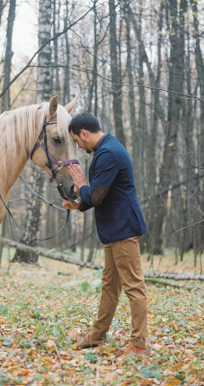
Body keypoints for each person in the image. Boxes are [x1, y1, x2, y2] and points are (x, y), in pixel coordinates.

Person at [62, 113, 148, 356]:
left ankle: (139, 345)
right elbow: (100, 194)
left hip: (124, 229)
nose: (78, 146)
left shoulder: (109, 153)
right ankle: (98, 335)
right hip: (114, 231)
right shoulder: (104, 150)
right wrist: (79, 203)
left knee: (134, 287)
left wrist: (80, 183)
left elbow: (96, 195)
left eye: (77, 141)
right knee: (110, 285)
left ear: (84, 133)